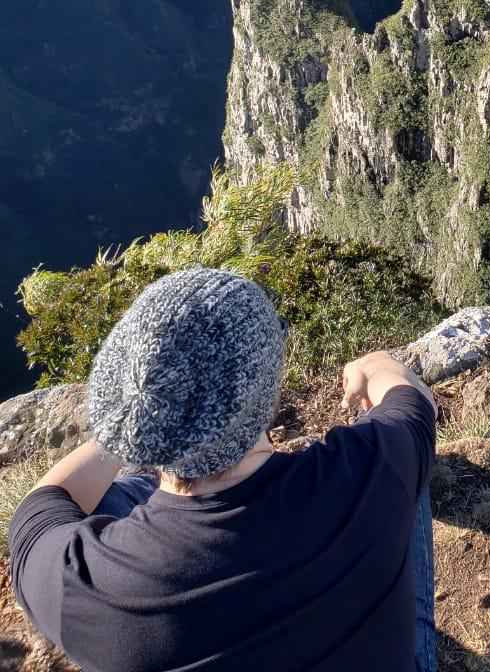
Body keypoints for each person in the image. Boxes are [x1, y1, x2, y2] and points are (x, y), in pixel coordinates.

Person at [8, 266, 437, 672]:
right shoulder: (369, 466)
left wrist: (136, 421)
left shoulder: (87, 584)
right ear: (264, 394)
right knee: (405, 474)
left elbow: (39, 510)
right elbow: (411, 400)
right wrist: (373, 365)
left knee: (123, 488)